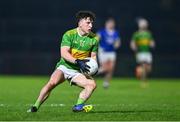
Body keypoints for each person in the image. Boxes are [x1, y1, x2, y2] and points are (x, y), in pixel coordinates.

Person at [27, 11, 99, 113]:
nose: (91, 25)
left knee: (92, 84)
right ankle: (35, 106)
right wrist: (77, 61)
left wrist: (93, 68)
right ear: (80, 23)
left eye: (92, 23)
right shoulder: (69, 34)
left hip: (78, 70)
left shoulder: (94, 39)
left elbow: (93, 57)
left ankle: (78, 106)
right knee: (52, 83)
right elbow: (64, 53)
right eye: (88, 23)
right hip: (64, 66)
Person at [130, 18, 155, 88]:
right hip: (140, 53)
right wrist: (133, 47)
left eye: (145, 23)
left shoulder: (149, 34)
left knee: (149, 69)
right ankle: (143, 81)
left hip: (148, 53)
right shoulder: (136, 34)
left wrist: (152, 44)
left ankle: (139, 72)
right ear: (139, 25)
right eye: (142, 23)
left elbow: (152, 42)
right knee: (143, 65)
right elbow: (132, 43)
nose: (144, 24)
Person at [97, 18, 121, 89]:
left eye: (112, 23)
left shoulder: (115, 32)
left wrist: (117, 44)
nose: (111, 25)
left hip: (112, 52)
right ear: (106, 24)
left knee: (111, 68)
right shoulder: (102, 31)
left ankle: (106, 82)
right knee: (105, 68)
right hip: (103, 51)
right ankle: (93, 72)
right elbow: (96, 38)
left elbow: (118, 41)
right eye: (110, 23)